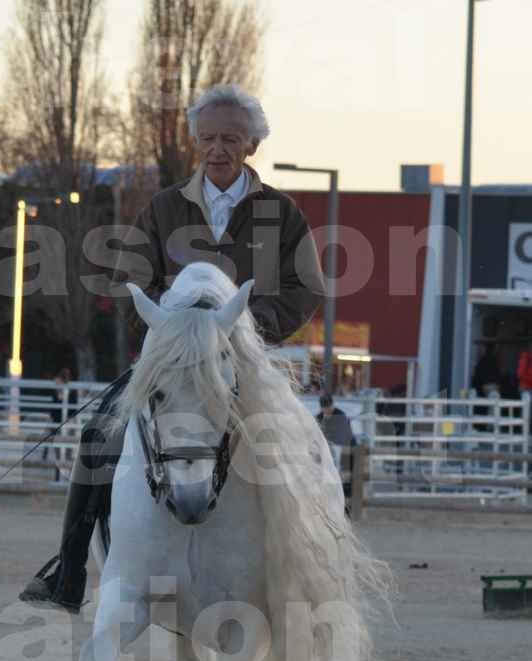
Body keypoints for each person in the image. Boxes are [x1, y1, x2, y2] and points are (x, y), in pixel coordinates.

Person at [20, 83, 326, 612]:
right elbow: (132, 276)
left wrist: (250, 326)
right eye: (208, 138)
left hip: (244, 364)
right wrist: (178, 322)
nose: (218, 149)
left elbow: (307, 289)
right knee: (98, 434)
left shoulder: (282, 212)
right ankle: (68, 571)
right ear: (195, 142)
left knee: (301, 445)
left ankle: (307, 571)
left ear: (253, 144)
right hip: (174, 361)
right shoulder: (164, 208)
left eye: (231, 138)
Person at [316, 394, 357, 507]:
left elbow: (343, 437)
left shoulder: (341, 416)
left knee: (347, 476)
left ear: (332, 405)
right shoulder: (319, 417)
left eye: (329, 407)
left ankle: (347, 504)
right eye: (325, 408)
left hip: (345, 449)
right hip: (330, 449)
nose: (327, 410)